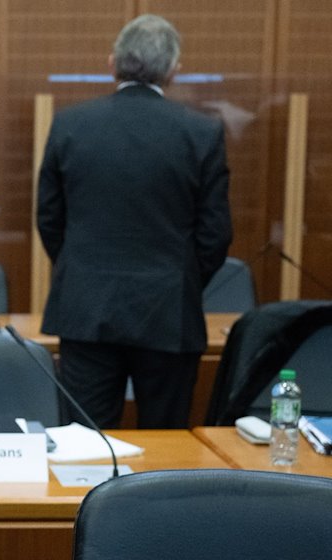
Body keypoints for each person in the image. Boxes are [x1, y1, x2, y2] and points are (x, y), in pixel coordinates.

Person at [36, 14, 232, 429]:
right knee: (166, 443)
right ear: (174, 70)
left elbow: (50, 219)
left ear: (112, 63)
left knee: (86, 444)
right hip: (169, 311)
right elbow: (215, 234)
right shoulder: (201, 132)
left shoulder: (71, 125)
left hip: (86, 307)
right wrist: (180, 277)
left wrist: (83, 268)